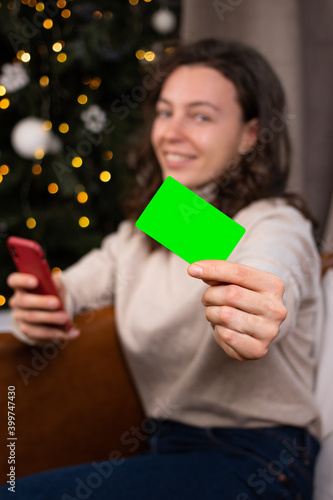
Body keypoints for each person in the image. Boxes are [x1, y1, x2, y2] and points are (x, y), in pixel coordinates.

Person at [1, 39, 323, 499]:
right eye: (166, 111)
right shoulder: (165, 222)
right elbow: (80, 282)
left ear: (251, 134)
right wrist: (44, 303)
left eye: (201, 116)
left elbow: (273, 266)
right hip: (166, 450)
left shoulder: (273, 221)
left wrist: (263, 304)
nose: (171, 132)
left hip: (260, 459)